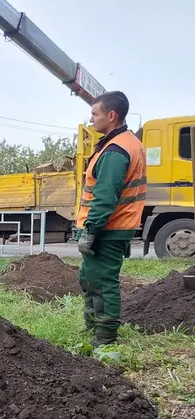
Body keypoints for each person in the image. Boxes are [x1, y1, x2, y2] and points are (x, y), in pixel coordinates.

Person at [76, 91, 147, 346]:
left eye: (95, 114)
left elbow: (105, 197)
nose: (91, 119)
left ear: (112, 115)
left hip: (107, 230)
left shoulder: (116, 150)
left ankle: (104, 340)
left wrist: (91, 230)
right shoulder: (125, 143)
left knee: (102, 283)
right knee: (88, 278)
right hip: (113, 227)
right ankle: (92, 327)